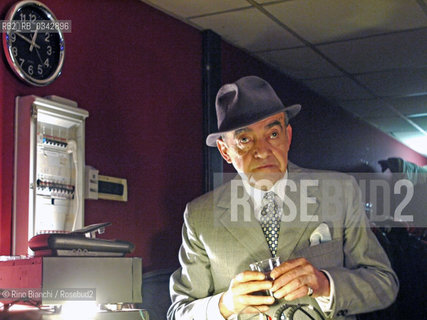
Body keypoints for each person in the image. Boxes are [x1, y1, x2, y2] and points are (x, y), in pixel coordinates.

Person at [168, 76, 398, 319]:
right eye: (245, 139)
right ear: (225, 150)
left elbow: (384, 284)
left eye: (273, 134)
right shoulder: (200, 215)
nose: (263, 151)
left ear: (287, 136)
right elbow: (179, 312)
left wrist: (325, 284)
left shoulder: (340, 191)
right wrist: (225, 304)